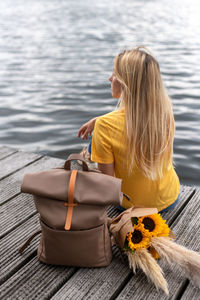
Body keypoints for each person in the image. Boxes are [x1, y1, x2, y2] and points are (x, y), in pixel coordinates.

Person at [78, 46, 180, 213]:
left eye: (115, 74)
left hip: (130, 205)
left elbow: (108, 188)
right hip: (169, 199)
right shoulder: (164, 111)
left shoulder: (106, 125)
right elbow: (135, 118)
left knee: (94, 143)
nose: (110, 78)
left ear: (126, 82)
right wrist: (98, 120)